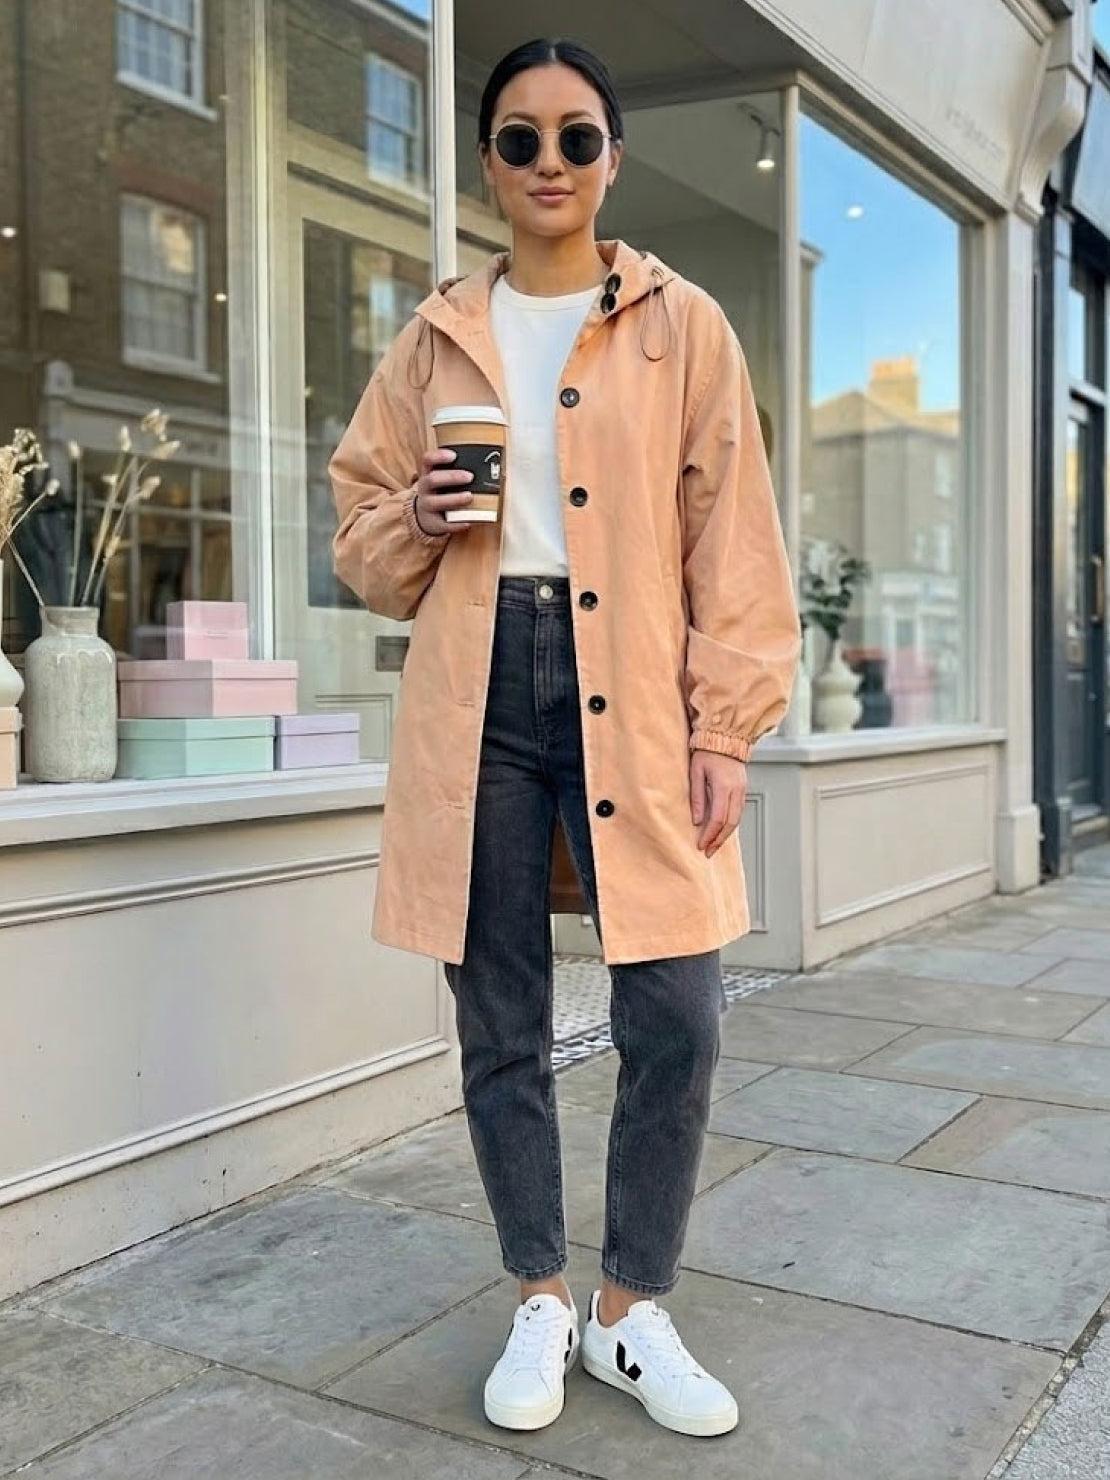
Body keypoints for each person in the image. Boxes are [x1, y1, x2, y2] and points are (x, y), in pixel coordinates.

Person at [329, 36, 801, 1443]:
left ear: (611, 159)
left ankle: (630, 1308)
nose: (549, 162)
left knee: (678, 1015)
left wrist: (726, 726)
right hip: (476, 691)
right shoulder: (432, 339)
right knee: (500, 1014)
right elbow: (359, 540)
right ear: (487, 162)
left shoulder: (680, 325)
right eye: (521, 138)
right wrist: (415, 517)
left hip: (635, 691)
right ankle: (539, 1292)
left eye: (576, 137)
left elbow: (735, 542)